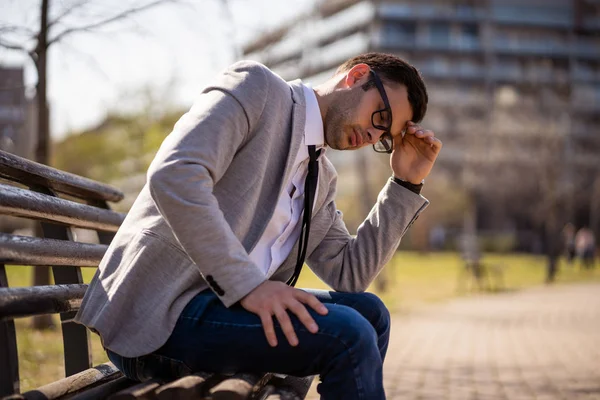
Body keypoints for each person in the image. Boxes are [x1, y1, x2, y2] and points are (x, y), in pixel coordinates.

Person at [75, 52, 442, 399]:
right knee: (349, 335)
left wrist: (405, 184)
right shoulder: (259, 90)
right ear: (357, 76)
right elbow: (175, 175)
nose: (374, 136)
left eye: (385, 138)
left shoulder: (320, 176)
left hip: (223, 318)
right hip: (160, 313)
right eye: (380, 117)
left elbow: (349, 274)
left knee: (370, 313)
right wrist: (248, 286)